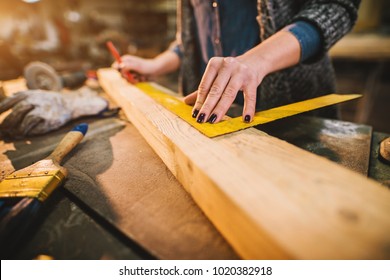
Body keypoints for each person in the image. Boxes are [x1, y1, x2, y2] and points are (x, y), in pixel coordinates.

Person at [113, 0, 361, 124]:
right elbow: (189, 40)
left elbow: (335, 7)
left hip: (289, 111)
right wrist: (156, 64)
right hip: (213, 112)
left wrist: (257, 61)